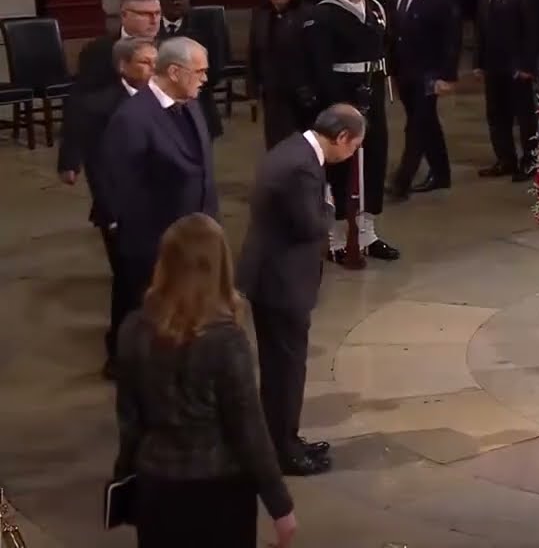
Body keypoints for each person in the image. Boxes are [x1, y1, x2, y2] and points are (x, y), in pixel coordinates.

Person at [114, 213, 296, 548]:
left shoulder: (132, 330)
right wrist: (280, 506)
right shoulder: (226, 343)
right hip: (220, 493)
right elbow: (249, 432)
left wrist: (123, 478)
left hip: (157, 487)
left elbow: (130, 422)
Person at [240, 104, 365, 477]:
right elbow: (311, 224)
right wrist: (328, 206)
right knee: (285, 370)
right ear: (341, 137)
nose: (353, 154)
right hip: (281, 281)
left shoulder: (293, 147)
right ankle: (283, 450)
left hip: (273, 275)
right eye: (354, 146)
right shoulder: (300, 167)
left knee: (283, 368)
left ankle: (284, 439)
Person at [101, 36, 217, 375]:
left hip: (197, 235)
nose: (205, 79)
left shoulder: (191, 103)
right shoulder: (133, 118)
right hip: (156, 242)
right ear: (175, 71)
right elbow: (123, 189)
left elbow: (202, 169)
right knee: (151, 320)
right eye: (200, 71)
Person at [58, 38, 156, 379]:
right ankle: (119, 355)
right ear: (122, 67)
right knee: (128, 284)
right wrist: (114, 215)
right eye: (144, 63)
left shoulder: (161, 100)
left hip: (157, 209)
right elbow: (101, 168)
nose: (152, 70)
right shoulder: (100, 108)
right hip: (120, 213)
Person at [308, 0, 399, 263]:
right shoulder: (324, 14)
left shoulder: (374, 7)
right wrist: (335, 103)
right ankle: (336, 236)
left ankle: (367, 232)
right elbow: (320, 64)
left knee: (374, 157)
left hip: (371, 92)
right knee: (341, 164)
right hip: (342, 94)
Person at [387, 0, 460, 198]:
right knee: (427, 124)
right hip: (404, 73)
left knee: (417, 126)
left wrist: (447, 76)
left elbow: (451, 40)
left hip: (429, 73)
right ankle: (441, 173)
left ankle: (402, 180)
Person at [475, 0, 539, 180]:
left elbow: (532, 30)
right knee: (496, 114)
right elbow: (481, 26)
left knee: (524, 116)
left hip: (516, 64)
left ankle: (530, 161)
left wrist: (527, 64)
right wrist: (479, 62)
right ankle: (505, 159)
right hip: (493, 63)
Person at [248, 0, 317, 149]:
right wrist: (253, 90)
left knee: (302, 145)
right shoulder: (261, 14)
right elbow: (253, 54)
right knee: (275, 145)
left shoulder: (307, 14)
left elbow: (314, 56)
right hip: (272, 95)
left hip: (301, 97)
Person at [156, 0, 223, 139]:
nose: (178, 2)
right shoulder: (151, 28)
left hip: (199, 105)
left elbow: (215, 69)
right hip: (159, 112)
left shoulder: (205, 28)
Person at [73, 0, 162, 93]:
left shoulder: (170, 47)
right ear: (124, 15)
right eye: (145, 14)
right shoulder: (96, 51)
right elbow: (87, 95)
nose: (154, 20)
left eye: (157, 13)